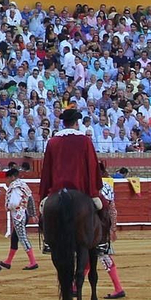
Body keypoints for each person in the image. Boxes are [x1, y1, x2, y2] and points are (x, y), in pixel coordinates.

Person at [37, 106, 104, 251]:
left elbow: (47, 169)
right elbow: (92, 166)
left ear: (64, 123)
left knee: (45, 214)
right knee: (103, 208)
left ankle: (48, 241)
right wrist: (94, 189)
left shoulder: (53, 142)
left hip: (57, 190)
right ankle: (102, 242)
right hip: (81, 189)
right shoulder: (85, 141)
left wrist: (45, 194)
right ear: (76, 122)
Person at [96, 162, 126, 300]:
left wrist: (113, 229)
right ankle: (73, 286)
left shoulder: (89, 187)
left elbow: (112, 210)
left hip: (97, 228)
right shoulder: (107, 186)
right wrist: (113, 228)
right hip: (102, 227)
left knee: (102, 255)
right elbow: (113, 210)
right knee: (93, 256)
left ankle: (119, 288)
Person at [0, 165, 38, 271]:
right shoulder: (23, 184)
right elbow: (30, 199)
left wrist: (9, 207)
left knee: (22, 237)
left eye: (7, 178)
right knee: (15, 237)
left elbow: (14, 203)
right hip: (23, 213)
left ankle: (33, 262)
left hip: (18, 215)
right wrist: (33, 214)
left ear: (12, 177)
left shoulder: (14, 186)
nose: (6, 181)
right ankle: (8, 262)